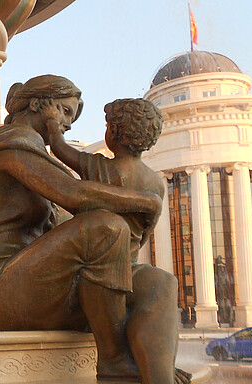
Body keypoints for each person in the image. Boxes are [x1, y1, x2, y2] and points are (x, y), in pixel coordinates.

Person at [0, 75, 226, 384]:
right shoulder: (10, 145)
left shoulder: (37, 154)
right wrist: (144, 202)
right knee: (104, 226)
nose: (67, 124)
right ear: (37, 105)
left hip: (27, 283)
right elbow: (76, 195)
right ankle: (115, 358)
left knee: (157, 283)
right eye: (64, 111)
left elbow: (82, 210)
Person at [46, 98, 164, 265]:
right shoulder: (156, 183)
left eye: (107, 126)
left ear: (113, 130)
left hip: (95, 258)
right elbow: (146, 232)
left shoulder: (98, 166)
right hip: (127, 261)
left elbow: (59, 147)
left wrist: (52, 121)